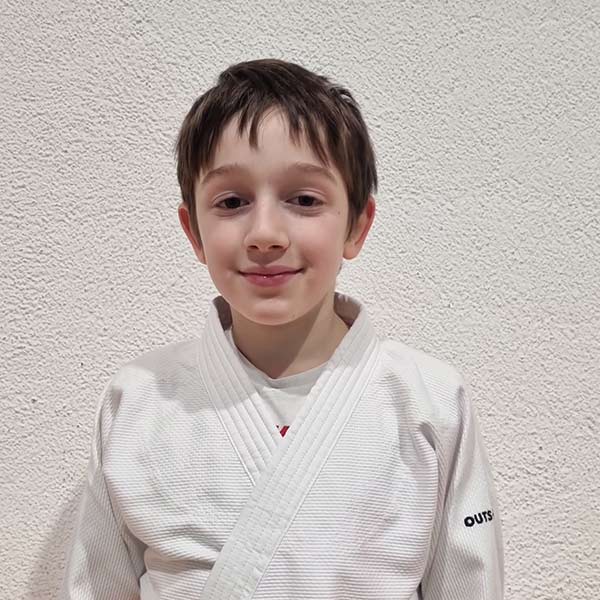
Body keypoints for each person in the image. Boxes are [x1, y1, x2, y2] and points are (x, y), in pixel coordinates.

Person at [61, 58, 504, 599]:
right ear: (194, 232)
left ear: (357, 226)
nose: (265, 233)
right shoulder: (138, 401)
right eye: (231, 202)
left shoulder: (430, 401)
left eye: (304, 200)